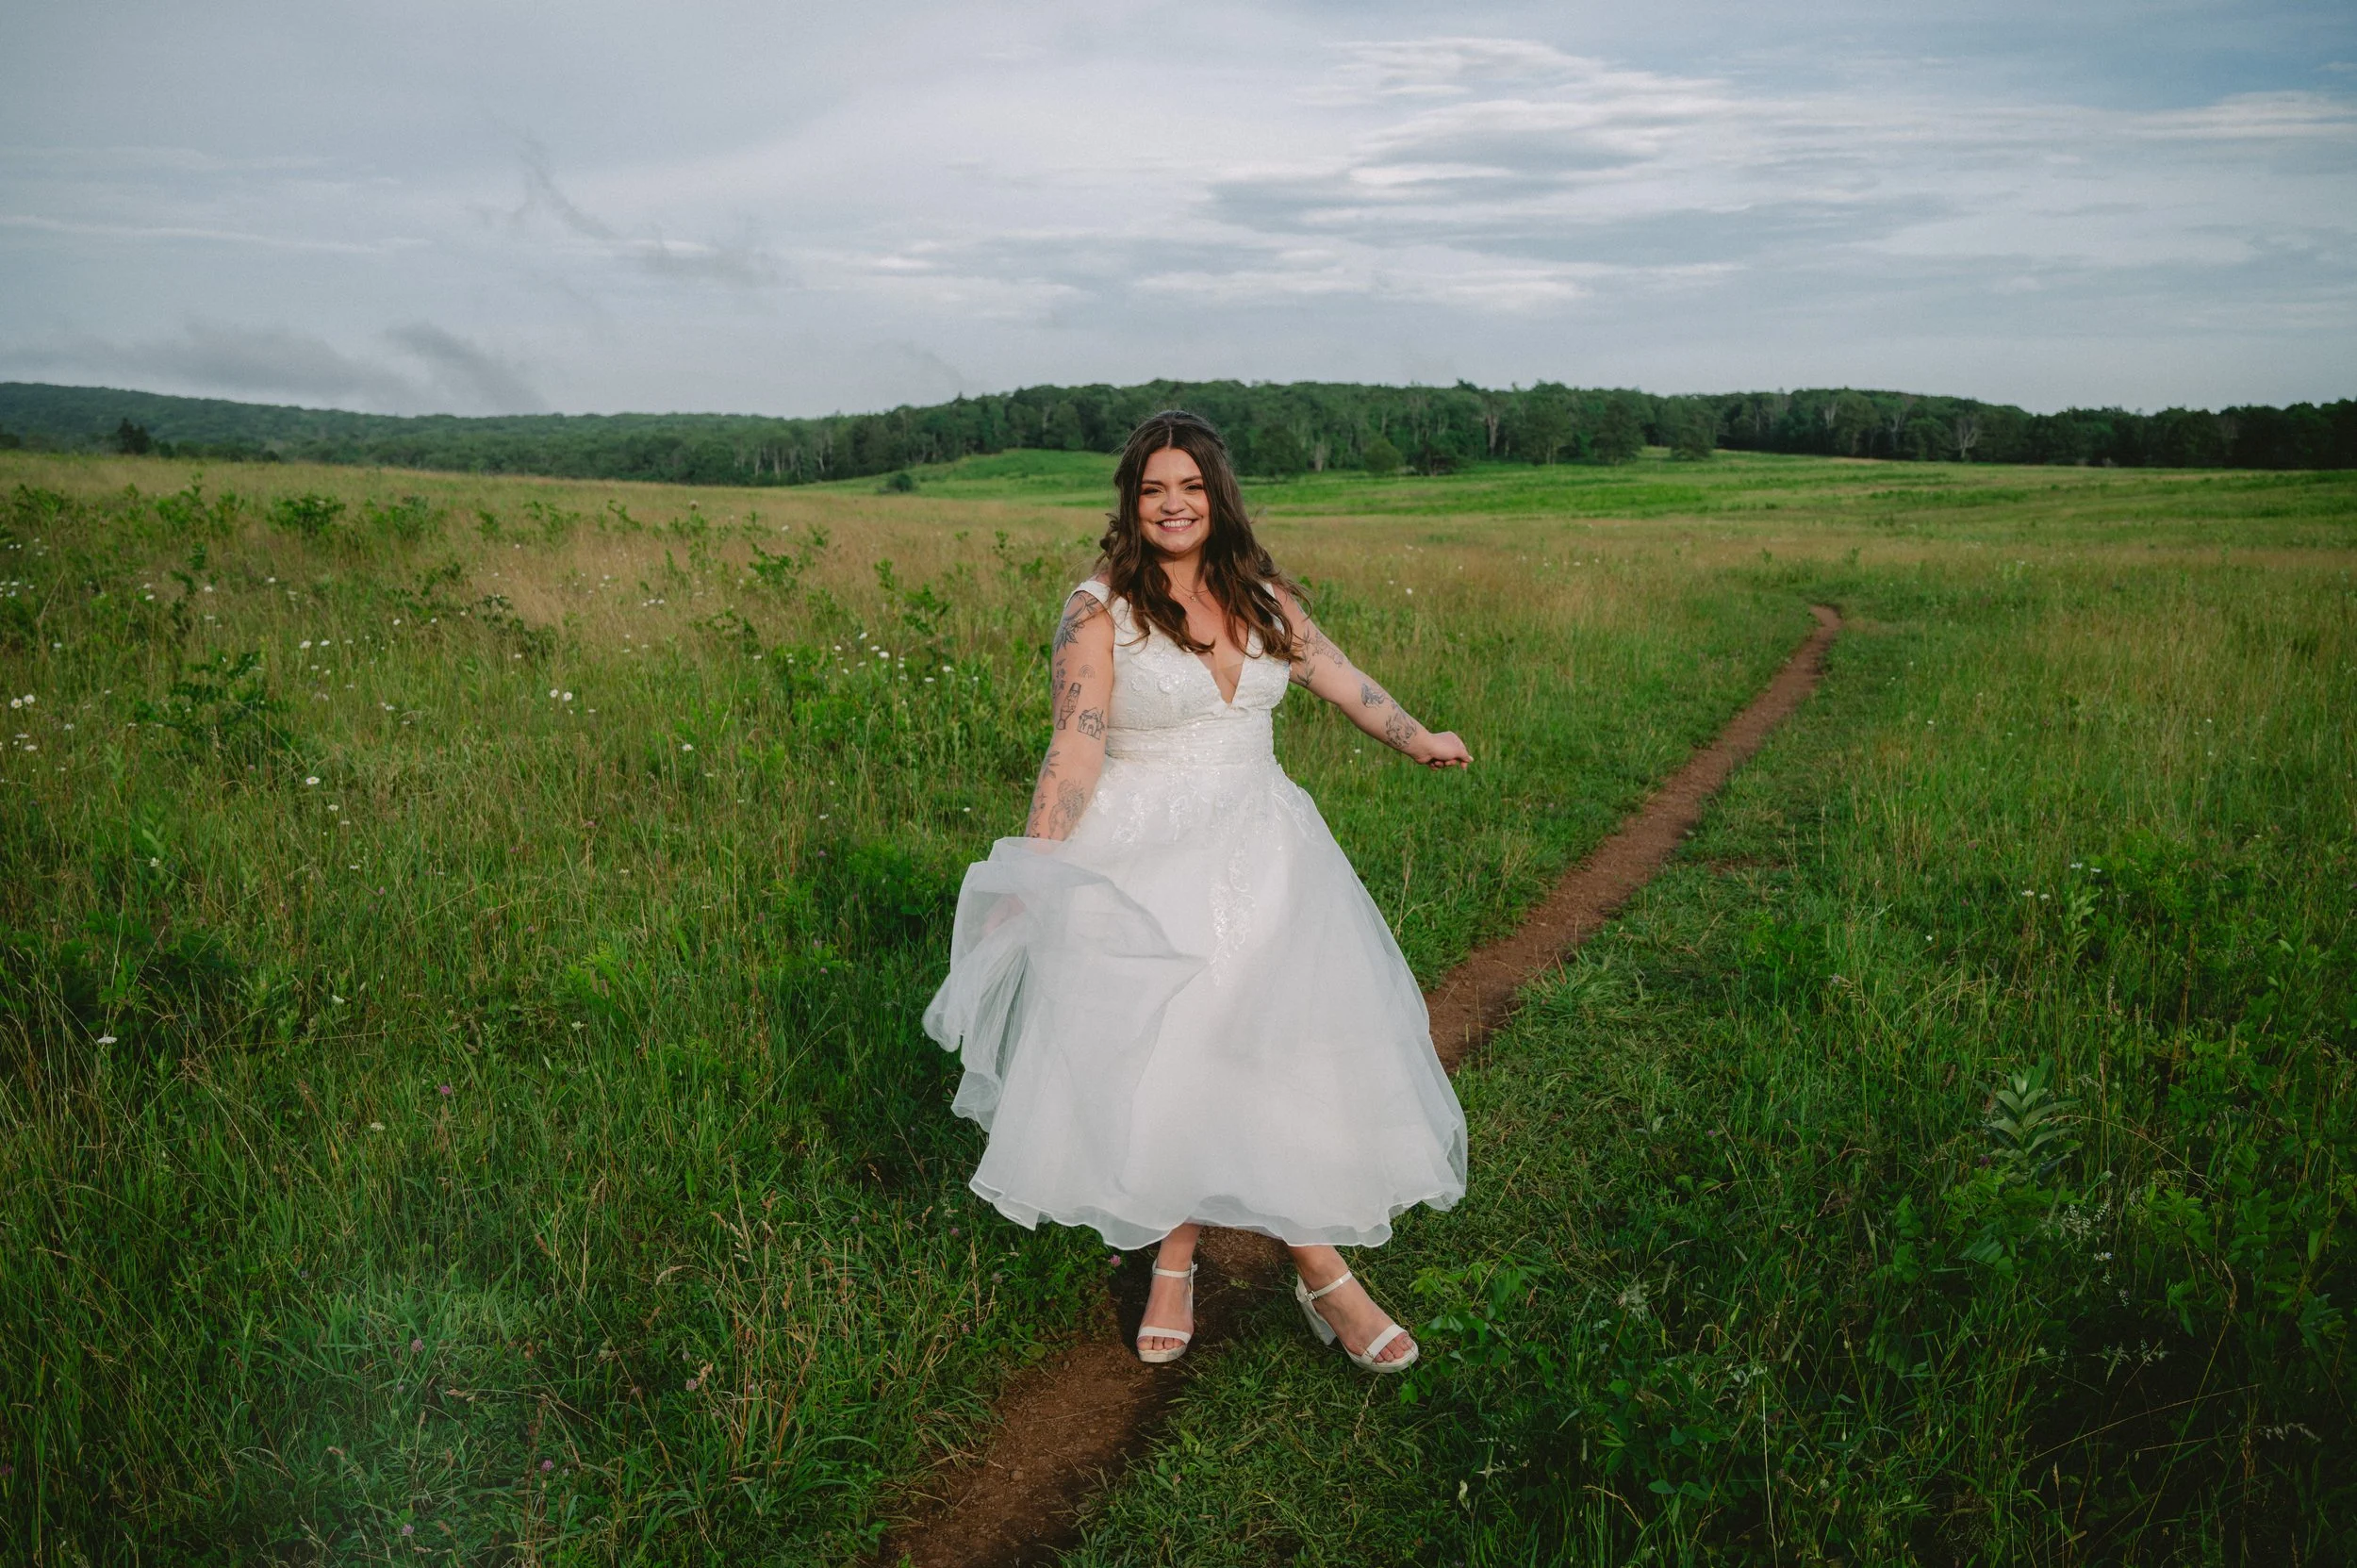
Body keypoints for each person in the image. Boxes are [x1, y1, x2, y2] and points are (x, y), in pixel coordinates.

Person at [924, 410, 1471, 1374]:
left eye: (1189, 486)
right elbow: (1078, 738)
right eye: (1152, 489)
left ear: (1217, 497)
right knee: (1178, 1048)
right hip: (1143, 852)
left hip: (1267, 847)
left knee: (1271, 1042)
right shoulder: (1098, 610)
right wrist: (1039, 861)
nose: (1172, 505)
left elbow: (1342, 681)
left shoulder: (1263, 595)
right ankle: (1278, 1266)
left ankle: (1203, 1255)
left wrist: (1416, 735)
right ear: (1130, 505)